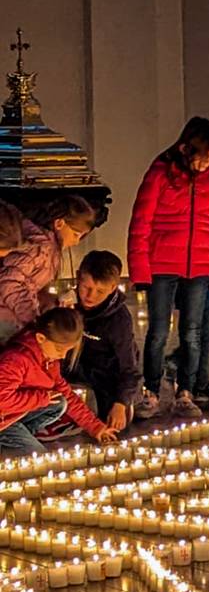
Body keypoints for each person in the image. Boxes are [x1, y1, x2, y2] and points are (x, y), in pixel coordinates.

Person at [127, 116, 209, 419]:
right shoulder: (160, 174)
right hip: (162, 264)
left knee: (193, 333)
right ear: (188, 148)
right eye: (206, 156)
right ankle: (150, 393)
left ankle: (185, 393)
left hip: (200, 267)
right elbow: (141, 224)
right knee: (158, 331)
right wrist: (141, 271)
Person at [0, 307, 117, 454]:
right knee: (40, 456)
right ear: (41, 338)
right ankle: (10, 439)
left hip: (13, 415)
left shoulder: (48, 359)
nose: (62, 356)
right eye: (59, 349)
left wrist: (97, 428)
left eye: (67, 351)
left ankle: (18, 436)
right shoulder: (15, 359)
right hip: (2, 419)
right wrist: (41, 398)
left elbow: (66, 393)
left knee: (60, 401)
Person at [61, 250, 142, 431]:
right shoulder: (68, 304)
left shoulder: (118, 320)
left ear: (113, 287)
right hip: (72, 371)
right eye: (86, 287)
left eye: (100, 291)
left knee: (109, 422)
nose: (90, 296)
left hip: (106, 377)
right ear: (77, 278)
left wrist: (121, 403)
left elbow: (129, 367)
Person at [0, 195, 95, 343]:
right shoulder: (40, 249)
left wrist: (50, 305)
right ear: (59, 223)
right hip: (6, 317)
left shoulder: (50, 250)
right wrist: (32, 318)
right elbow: (10, 282)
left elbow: (30, 285)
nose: (76, 242)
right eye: (76, 234)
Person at [164, 277, 209, 404]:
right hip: (196, 281)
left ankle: (198, 382)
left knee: (205, 335)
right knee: (195, 334)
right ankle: (192, 385)